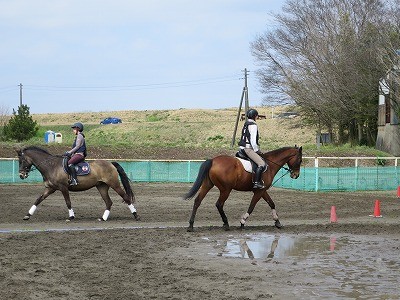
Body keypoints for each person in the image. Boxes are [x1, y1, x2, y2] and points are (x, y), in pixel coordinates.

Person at [238, 109, 266, 189]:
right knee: (262, 163)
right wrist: (257, 150)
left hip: (241, 148)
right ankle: (257, 183)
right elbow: (253, 141)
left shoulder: (246, 123)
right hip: (248, 149)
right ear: (255, 116)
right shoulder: (253, 125)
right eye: (256, 116)